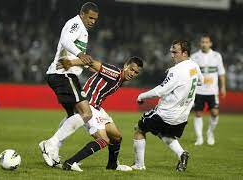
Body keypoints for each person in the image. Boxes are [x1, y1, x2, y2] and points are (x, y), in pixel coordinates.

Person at [56, 56, 143, 172]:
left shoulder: (121, 79)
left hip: (97, 107)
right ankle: (70, 162)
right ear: (125, 66)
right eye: (131, 69)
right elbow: (91, 62)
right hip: (88, 105)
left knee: (116, 137)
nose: (133, 73)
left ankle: (112, 166)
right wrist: (70, 63)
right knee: (104, 140)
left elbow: (92, 68)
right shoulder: (115, 73)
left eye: (136, 72)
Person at [39, 2, 99, 167]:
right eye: (90, 17)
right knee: (86, 113)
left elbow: (78, 58)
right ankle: (50, 144)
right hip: (63, 75)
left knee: (73, 116)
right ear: (82, 14)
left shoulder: (84, 31)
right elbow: (65, 40)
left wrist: (87, 64)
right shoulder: (75, 24)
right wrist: (80, 54)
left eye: (95, 19)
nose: (93, 21)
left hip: (63, 75)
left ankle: (54, 150)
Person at [131, 39, 203, 172]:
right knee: (164, 133)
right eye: (171, 51)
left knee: (139, 129)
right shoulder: (194, 66)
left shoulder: (176, 71)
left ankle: (139, 165)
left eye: (175, 52)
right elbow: (201, 82)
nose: (172, 55)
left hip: (165, 113)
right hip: (182, 116)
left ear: (185, 53)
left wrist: (141, 96)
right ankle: (182, 154)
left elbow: (160, 91)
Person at [191, 35, 226, 146]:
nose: (204, 44)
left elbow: (221, 72)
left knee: (215, 113)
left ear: (210, 44)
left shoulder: (217, 56)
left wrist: (223, 87)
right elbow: (191, 74)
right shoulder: (194, 57)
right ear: (200, 43)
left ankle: (210, 133)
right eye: (202, 42)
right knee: (198, 113)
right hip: (199, 90)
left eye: (206, 42)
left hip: (212, 91)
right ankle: (199, 138)